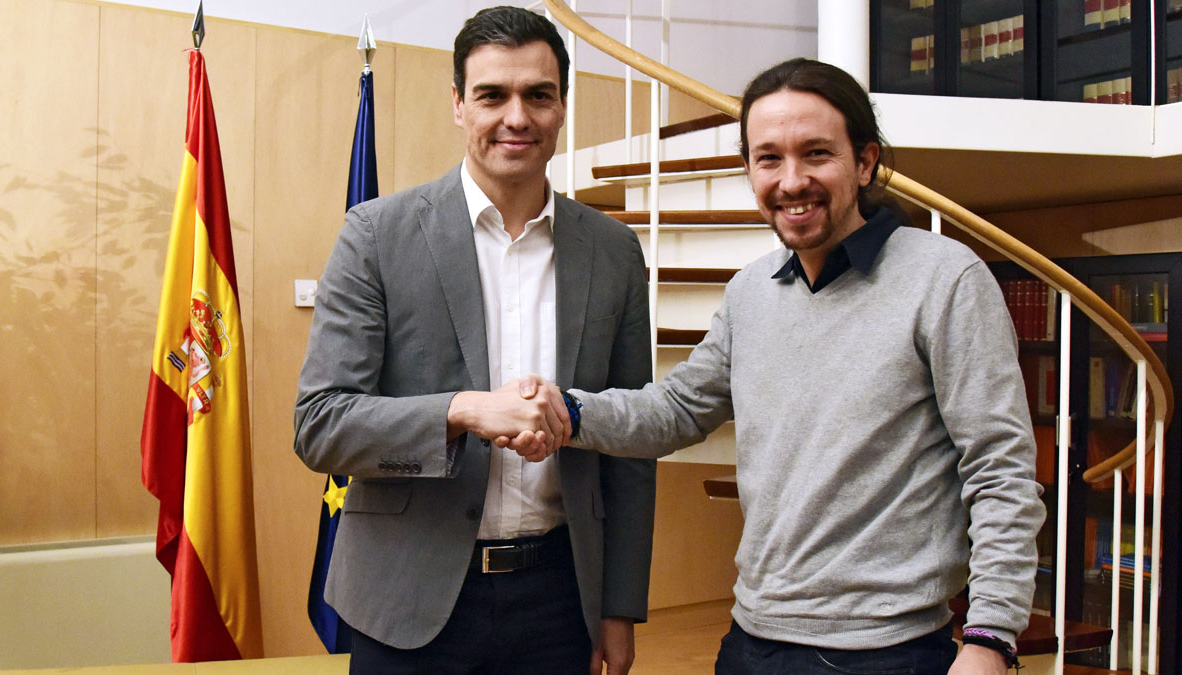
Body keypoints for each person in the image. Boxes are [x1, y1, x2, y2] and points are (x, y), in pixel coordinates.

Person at [503, 58, 1046, 674]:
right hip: (751, 643)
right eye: (769, 158)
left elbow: (1001, 472)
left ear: (865, 162)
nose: (792, 181)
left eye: (817, 154)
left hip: (889, 653)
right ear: (749, 170)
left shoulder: (946, 279)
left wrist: (991, 638)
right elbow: (677, 409)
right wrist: (567, 411)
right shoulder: (750, 289)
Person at [293, 7, 655, 674]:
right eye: (493, 95)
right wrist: (460, 411)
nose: (517, 117)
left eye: (538, 95)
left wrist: (619, 605)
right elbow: (320, 425)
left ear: (562, 106)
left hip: (559, 600)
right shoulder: (374, 237)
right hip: (409, 600)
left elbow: (630, 448)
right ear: (459, 104)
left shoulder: (615, 252)